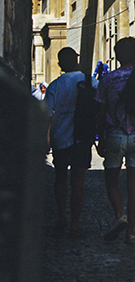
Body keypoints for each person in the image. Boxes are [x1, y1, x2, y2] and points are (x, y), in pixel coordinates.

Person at [96, 37, 135, 245]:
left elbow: (101, 111)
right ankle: (132, 231)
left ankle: (119, 215)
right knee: (134, 186)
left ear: (116, 54)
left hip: (114, 135)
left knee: (111, 182)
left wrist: (100, 138)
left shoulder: (107, 79)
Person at [44, 47, 89, 237]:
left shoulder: (55, 86)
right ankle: (75, 224)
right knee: (78, 182)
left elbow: (47, 117)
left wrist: (46, 140)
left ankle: (62, 217)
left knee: (60, 179)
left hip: (60, 139)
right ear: (77, 61)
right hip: (82, 139)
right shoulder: (90, 81)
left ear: (60, 64)